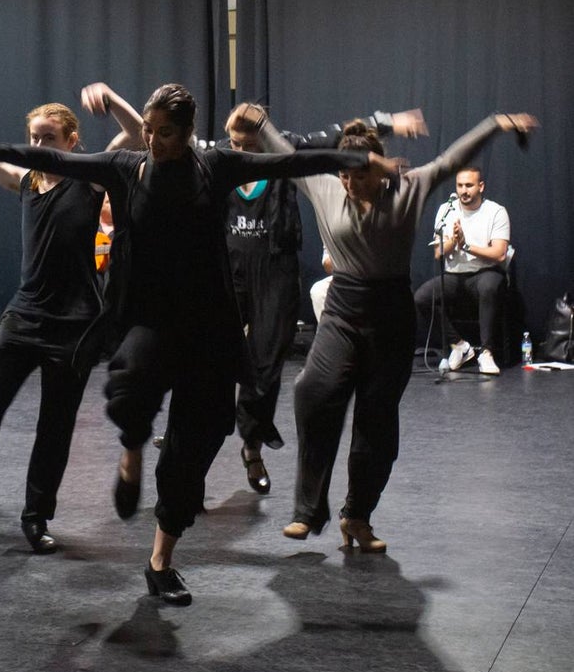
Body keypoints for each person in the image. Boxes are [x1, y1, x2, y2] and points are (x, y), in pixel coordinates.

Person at [0, 83, 387, 605]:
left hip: (208, 328)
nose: (153, 140)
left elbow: (291, 164)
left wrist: (359, 156)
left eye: (165, 133)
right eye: (148, 129)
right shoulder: (124, 167)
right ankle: (131, 449)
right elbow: (49, 157)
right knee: (130, 388)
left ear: (187, 134)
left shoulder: (218, 167)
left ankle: (161, 559)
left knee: (198, 441)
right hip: (147, 320)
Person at [254, 109, 537, 553]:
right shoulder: (326, 186)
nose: (349, 185)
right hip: (343, 313)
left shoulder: (409, 188)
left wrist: (496, 124)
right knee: (312, 392)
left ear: (377, 168)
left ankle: (357, 516)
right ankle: (309, 510)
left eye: (357, 177)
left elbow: (450, 159)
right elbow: (285, 154)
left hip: (389, 316)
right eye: (343, 177)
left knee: (377, 425)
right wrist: (259, 123)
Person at [0, 71, 140, 553]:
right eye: (34, 137)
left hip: (75, 324)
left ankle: (36, 516)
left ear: (71, 139)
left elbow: (139, 133)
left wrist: (111, 97)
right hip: (24, 317)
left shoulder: (92, 177)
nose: (39, 144)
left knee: (55, 425)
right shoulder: (25, 182)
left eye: (48, 138)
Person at [220, 105, 427, 495]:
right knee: (212, 356)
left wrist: (388, 122)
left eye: (249, 142)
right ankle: (191, 430)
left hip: (275, 263)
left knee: (266, 360)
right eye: (235, 143)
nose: (242, 150)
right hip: (230, 263)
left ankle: (251, 445)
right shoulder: (219, 154)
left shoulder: (290, 148)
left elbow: (338, 137)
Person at [413, 167, 511, 375]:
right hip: (454, 275)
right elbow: (439, 253)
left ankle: (487, 353)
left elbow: (500, 254)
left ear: (481, 187)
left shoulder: (495, 211)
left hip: (485, 272)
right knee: (421, 297)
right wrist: (453, 241)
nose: (463, 190)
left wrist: (466, 245)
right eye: (460, 185)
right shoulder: (446, 210)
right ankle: (459, 345)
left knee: (488, 287)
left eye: (469, 185)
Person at [310, 248, 334, 322]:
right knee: (318, 290)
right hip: (344, 275)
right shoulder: (329, 236)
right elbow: (327, 265)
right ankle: (329, 332)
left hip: (368, 273)